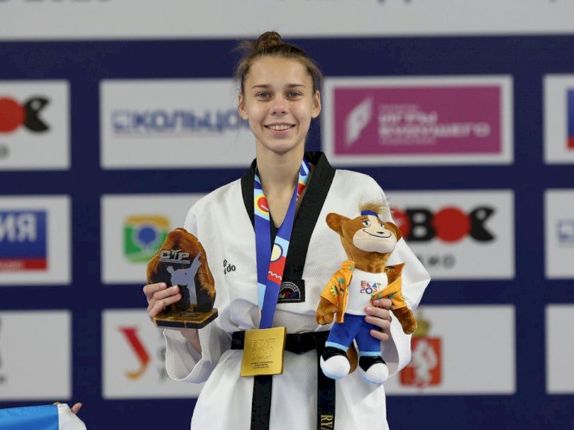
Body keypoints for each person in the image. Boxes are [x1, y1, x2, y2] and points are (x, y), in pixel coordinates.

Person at [143, 31, 430, 430]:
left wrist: (386, 323)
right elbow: (206, 353)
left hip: (336, 390)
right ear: (243, 105)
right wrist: (178, 320)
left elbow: (399, 289)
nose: (279, 107)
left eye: (293, 94)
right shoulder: (210, 211)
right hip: (238, 401)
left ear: (315, 103)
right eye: (263, 95)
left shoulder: (359, 193)